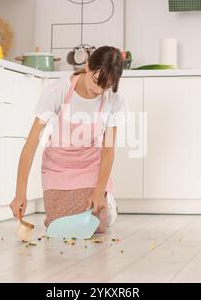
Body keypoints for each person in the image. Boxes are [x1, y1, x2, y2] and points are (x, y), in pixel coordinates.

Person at [10, 46, 127, 233]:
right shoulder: (58, 91)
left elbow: (108, 149)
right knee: (58, 226)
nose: (99, 90)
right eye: (96, 81)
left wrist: (99, 191)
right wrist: (20, 193)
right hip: (58, 168)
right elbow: (31, 143)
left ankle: (107, 201)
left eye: (106, 86)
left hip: (90, 166)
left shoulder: (114, 99)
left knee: (97, 224)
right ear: (87, 67)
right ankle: (103, 201)